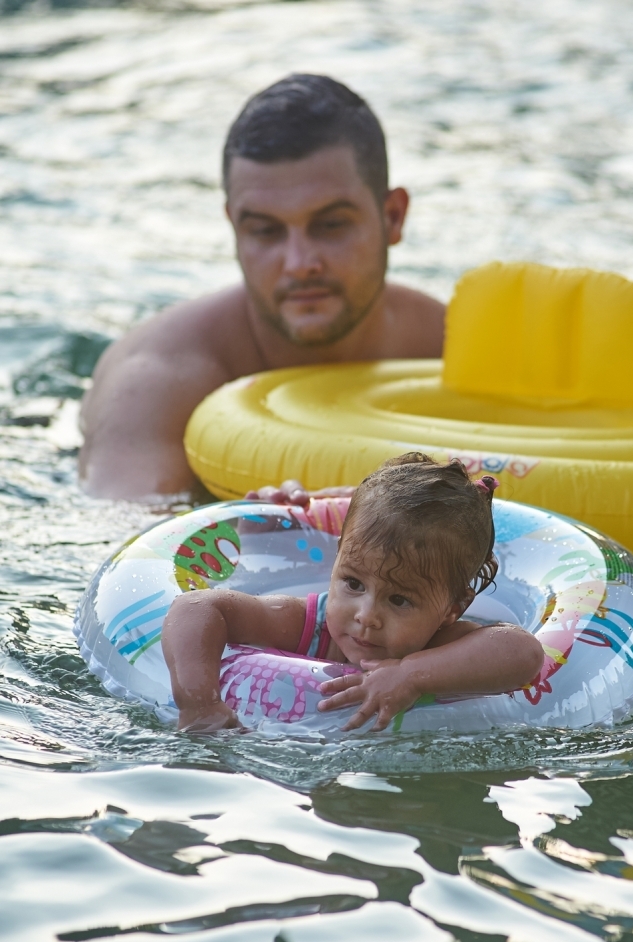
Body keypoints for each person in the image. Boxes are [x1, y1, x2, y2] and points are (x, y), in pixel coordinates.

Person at [79, 74, 445, 501]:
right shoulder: (157, 381)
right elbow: (131, 556)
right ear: (235, 227)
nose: (300, 263)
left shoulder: (446, 348)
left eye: (331, 225)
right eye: (266, 231)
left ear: (393, 216)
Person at [161, 454, 544, 732]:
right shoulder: (308, 625)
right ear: (336, 560)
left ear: (452, 608)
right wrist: (199, 701)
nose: (366, 615)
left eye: (399, 600)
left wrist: (412, 675)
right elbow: (196, 606)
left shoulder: (445, 644)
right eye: (353, 584)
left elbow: (523, 652)